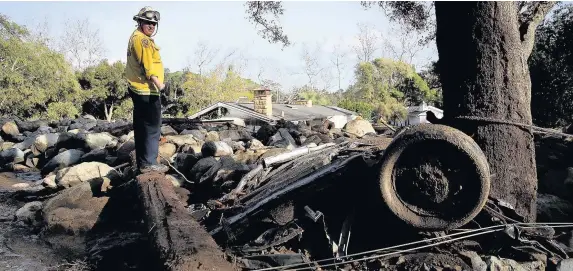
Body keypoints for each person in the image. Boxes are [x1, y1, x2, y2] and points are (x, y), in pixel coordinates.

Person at [125, 6, 168, 174]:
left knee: (142, 127)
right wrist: (161, 86)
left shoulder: (135, 37)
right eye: (148, 22)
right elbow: (148, 67)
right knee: (151, 127)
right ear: (140, 22)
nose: (151, 26)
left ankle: (143, 163)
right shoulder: (142, 40)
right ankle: (149, 163)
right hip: (146, 90)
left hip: (138, 88)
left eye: (154, 24)